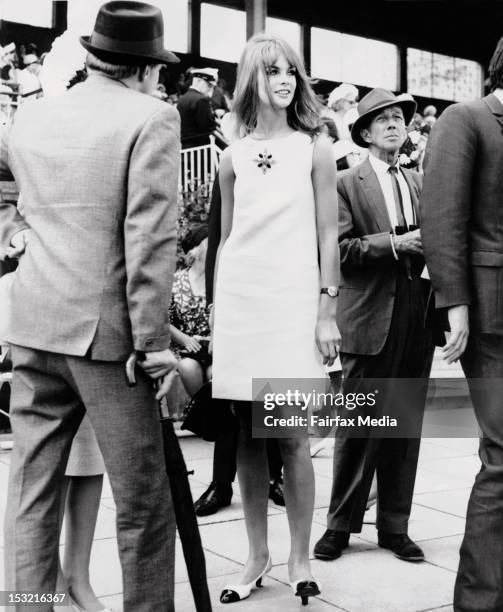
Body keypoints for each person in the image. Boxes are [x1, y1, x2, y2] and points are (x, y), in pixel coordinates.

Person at [0, 3, 181, 611]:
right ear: (144, 69)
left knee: (31, 487)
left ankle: (28, 607)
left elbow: (13, 198)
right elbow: (149, 239)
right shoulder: (152, 117)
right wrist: (153, 342)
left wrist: (15, 231)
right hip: (108, 339)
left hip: (32, 323)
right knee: (142, 502)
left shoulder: (31, 114)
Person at [211, 33, 340, 605]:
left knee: (290, 436)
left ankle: (300, 556)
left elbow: (329, 233)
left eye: (291, 71)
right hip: (242, 303)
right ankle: (255, 555)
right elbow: (229, 238)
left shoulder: (315, 148)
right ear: (250, 80)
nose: (285, 80)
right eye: (272, 71)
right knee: (244, 435)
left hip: (293, 305)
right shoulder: (228, 157)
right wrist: (219, 311)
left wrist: (326, 310)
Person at [314, 88, 436, 565]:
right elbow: (338, 251)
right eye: (381, 119)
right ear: (363, 133)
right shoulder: (347, 182)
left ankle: (395, 527)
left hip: (418, 311)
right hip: (369, 314)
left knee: (404, 426)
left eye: (398, 118)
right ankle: (339, 527)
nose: (392, 125)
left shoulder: (420, 180)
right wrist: (394, 243)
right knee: (359, 426)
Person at [420, 36, 503, 612]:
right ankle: (479, 601)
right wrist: (455, 305)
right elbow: (441, 216)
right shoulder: (468, 117)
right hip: (492, 315)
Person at [177, 67, 218, 148]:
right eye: (209, 85)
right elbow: (208, 127)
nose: (210, 89)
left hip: (184, 147)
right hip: (199, 149)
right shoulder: (201, 100)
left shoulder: (183, 97)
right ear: (198, 81)